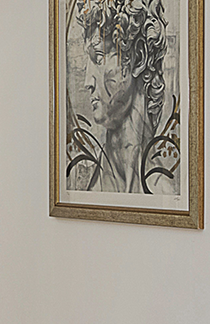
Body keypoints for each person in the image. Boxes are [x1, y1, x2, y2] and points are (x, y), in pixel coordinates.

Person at [64, 0, 182, 195]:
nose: (87, 81)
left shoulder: (164, 191)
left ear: (139, 57)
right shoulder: (91, 188)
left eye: (99, 57)